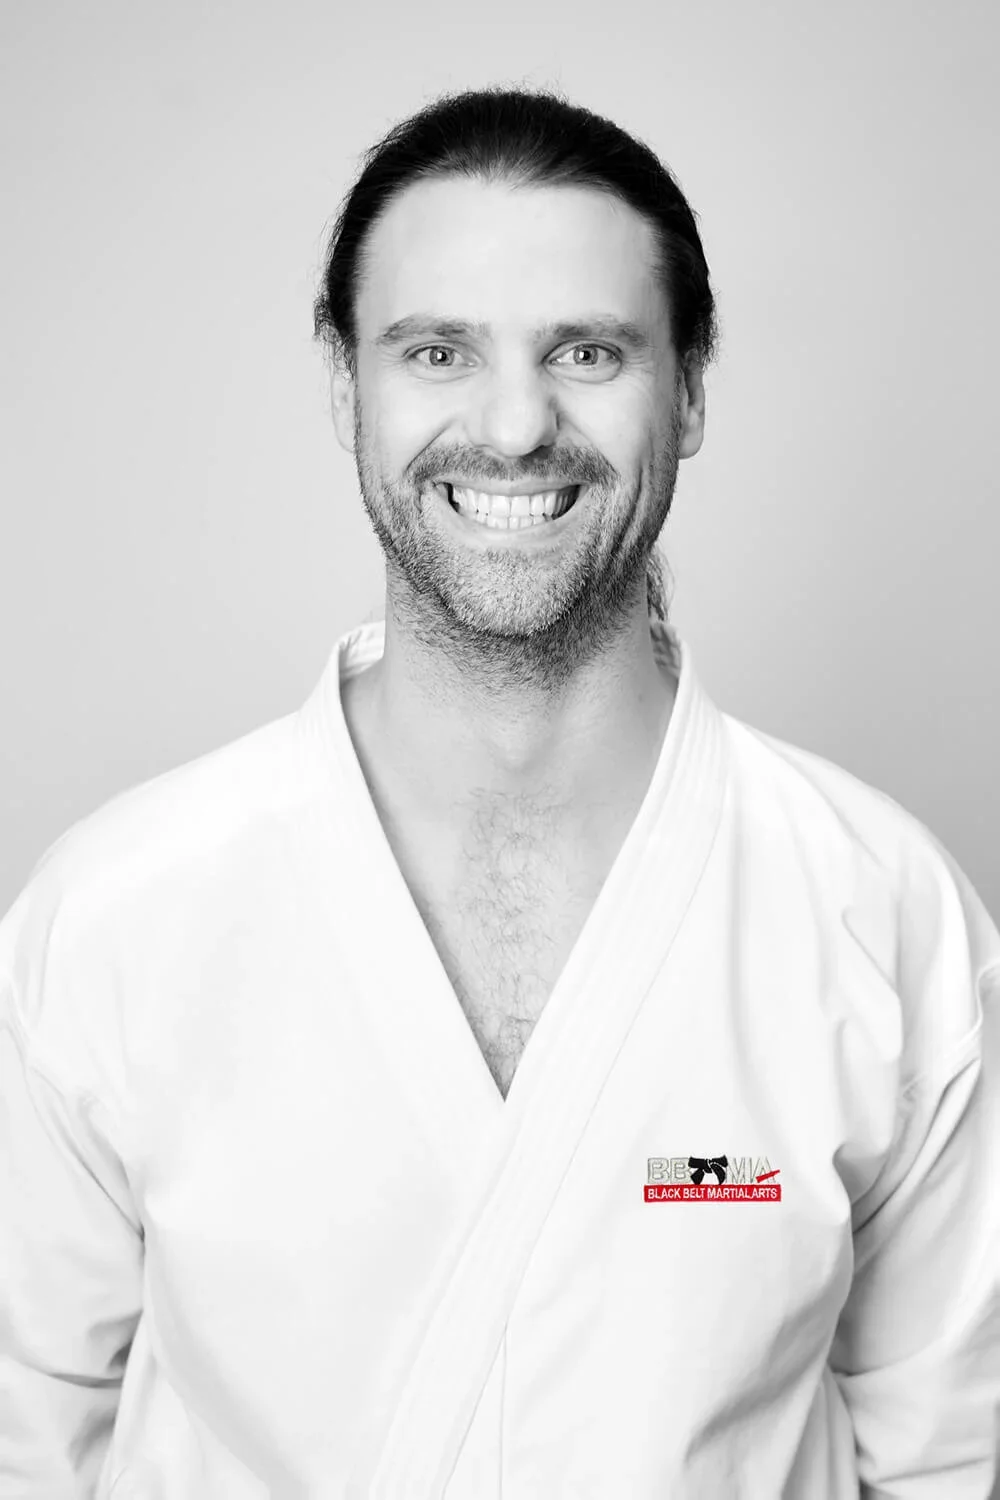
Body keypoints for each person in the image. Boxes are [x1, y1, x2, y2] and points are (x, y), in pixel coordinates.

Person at [1, 83, 997, 1500]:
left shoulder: (884, 918)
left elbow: (955, 1452)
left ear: (689, 394)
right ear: (347, 389)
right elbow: (25, 1437)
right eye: (437, 351)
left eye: (587, 351)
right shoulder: (110, 919)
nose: (518, 425)